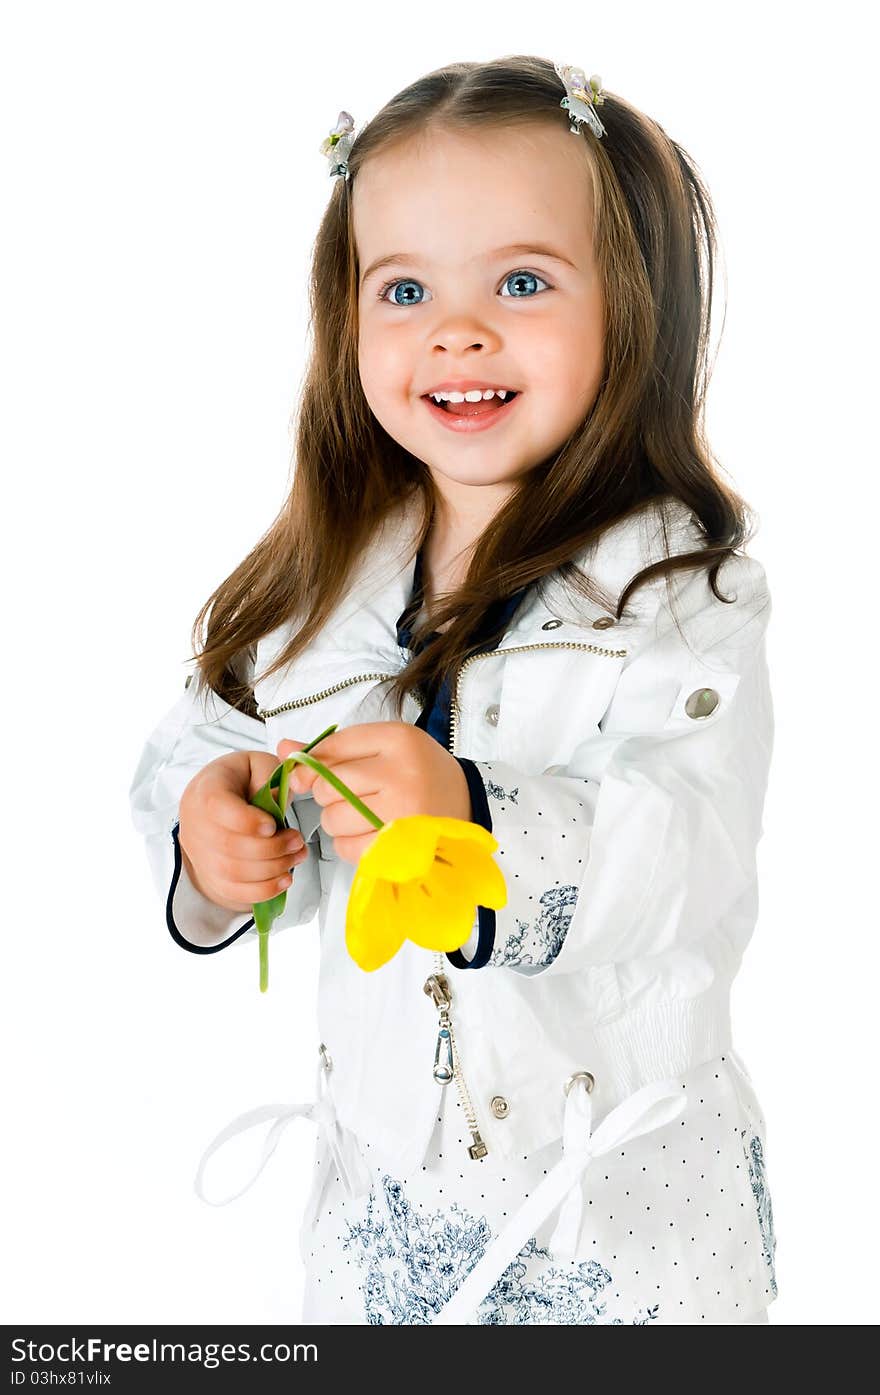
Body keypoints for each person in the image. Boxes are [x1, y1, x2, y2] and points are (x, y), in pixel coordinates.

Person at [129, 55, 778, 1325]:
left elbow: (687, 850)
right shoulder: (326, 580)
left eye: (522, 283)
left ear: (634, 311)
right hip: (387, 1198)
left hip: (620, 1214)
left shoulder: (681, 592)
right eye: (405, 289)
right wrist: (209, 835)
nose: (454, 330)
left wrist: (475, 815)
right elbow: (198, 749)